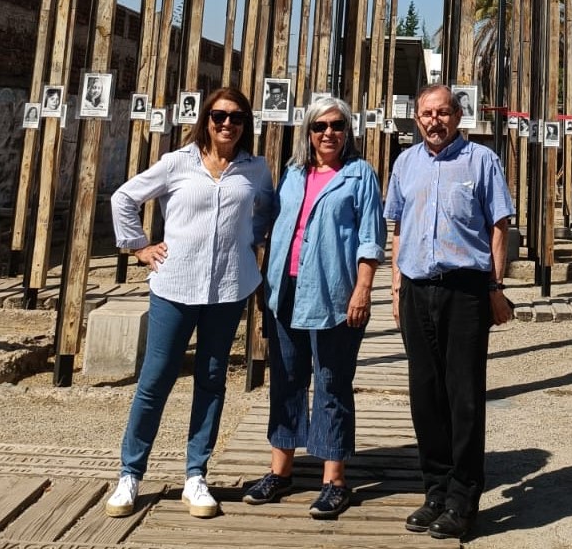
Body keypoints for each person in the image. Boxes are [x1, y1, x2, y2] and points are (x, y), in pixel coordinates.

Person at [104, 87, 276, 520]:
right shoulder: (178, 162)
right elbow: (124, 197)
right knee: (155, 379)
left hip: (227, 289)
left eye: (236, 117)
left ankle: (196, 474)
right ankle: (130, 473)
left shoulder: (254, 169)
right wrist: (139, 247)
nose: (227, 124)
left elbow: (266, 209)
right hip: (175, 286)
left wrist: (249, 241)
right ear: (207, 119)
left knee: (213, 379)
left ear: (245, 124)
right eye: (219, 116)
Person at [244, 97, 384, 519]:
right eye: (320, 126)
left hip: (334, 295)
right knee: (286, 379)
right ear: (308, 131)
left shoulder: (360, 175)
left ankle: (334, 479)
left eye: (337, 126)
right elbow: (263, 224)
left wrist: (362, 290)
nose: (328, 133)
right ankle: (280, 470)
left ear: (348, 132)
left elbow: (370, 238)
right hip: (285, 292)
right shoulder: (292, 173)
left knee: (331, 383)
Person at [385, 85, 515, 540]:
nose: (434, 120)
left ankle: (463, 498)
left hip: (465, 291)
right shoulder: (405, 163)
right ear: (416, 118)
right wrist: (396, 285)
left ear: (458, 117)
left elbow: (499, 227)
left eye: (443, 112)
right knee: (425, 395)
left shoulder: (482, 161)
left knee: (463, 396)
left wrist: (496, 286)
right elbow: (398, 226)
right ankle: (435, 490)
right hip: (417, 289)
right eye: (426, 113)